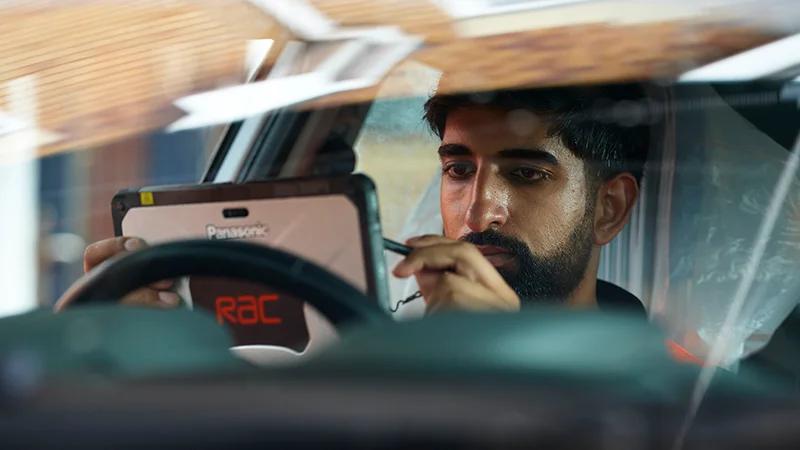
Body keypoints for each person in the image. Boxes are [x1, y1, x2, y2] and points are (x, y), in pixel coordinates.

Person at [80, 84, 652, 314]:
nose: (479, 213)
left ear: (609, 209)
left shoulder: (682, 394)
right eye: (458, 169)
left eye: (527, 175)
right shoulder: (376, 341)